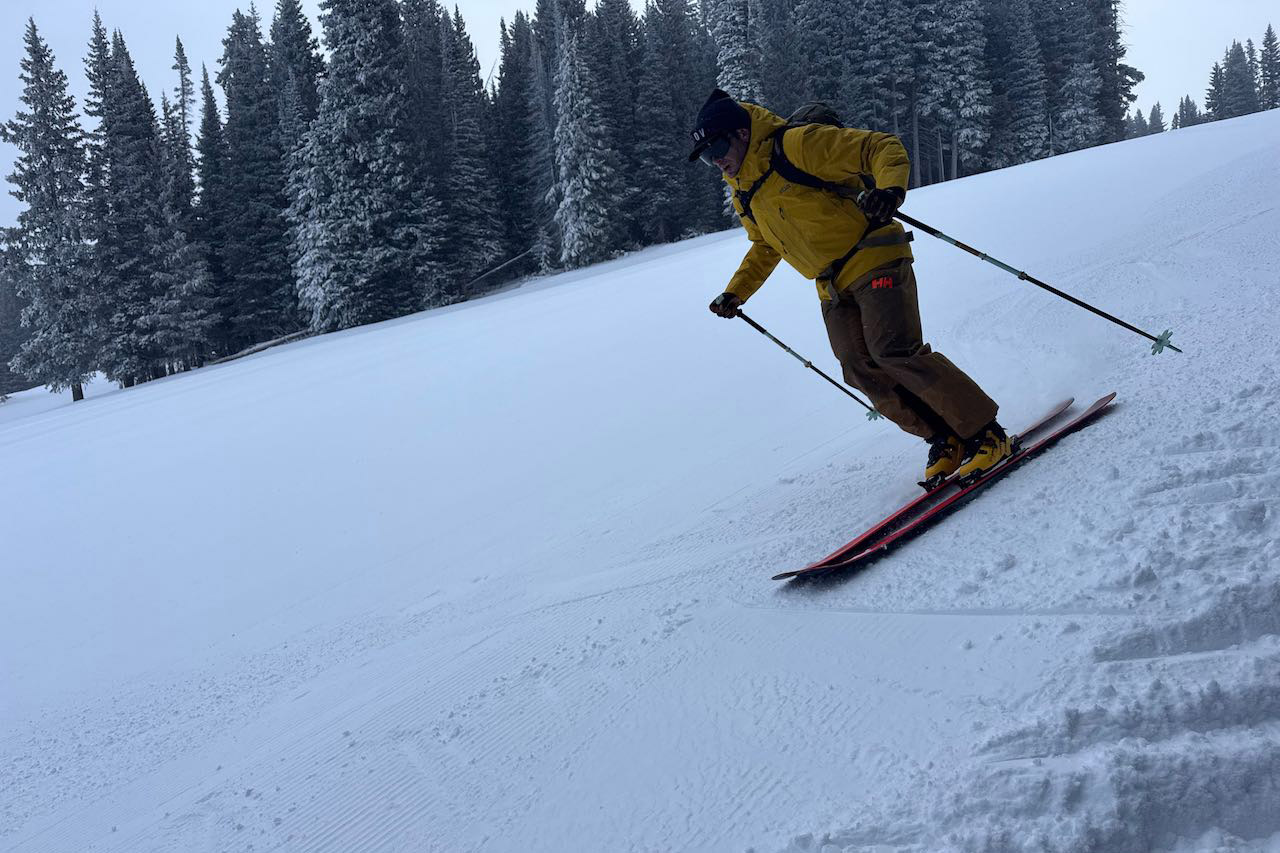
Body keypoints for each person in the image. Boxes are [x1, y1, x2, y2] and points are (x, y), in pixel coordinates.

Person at [690, 89, 1011, 487]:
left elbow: (881, 147)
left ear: (740, 133)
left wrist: (890, 190)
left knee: (893, 351)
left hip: (872, 254)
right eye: (707, 156)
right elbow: (765, 244)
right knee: (858, 367)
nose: (716, 160)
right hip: (830, 284)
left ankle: (986, 432)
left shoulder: (796, 144)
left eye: (718, 147)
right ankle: (945, 438)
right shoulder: (744, 190)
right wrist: (736, 292)